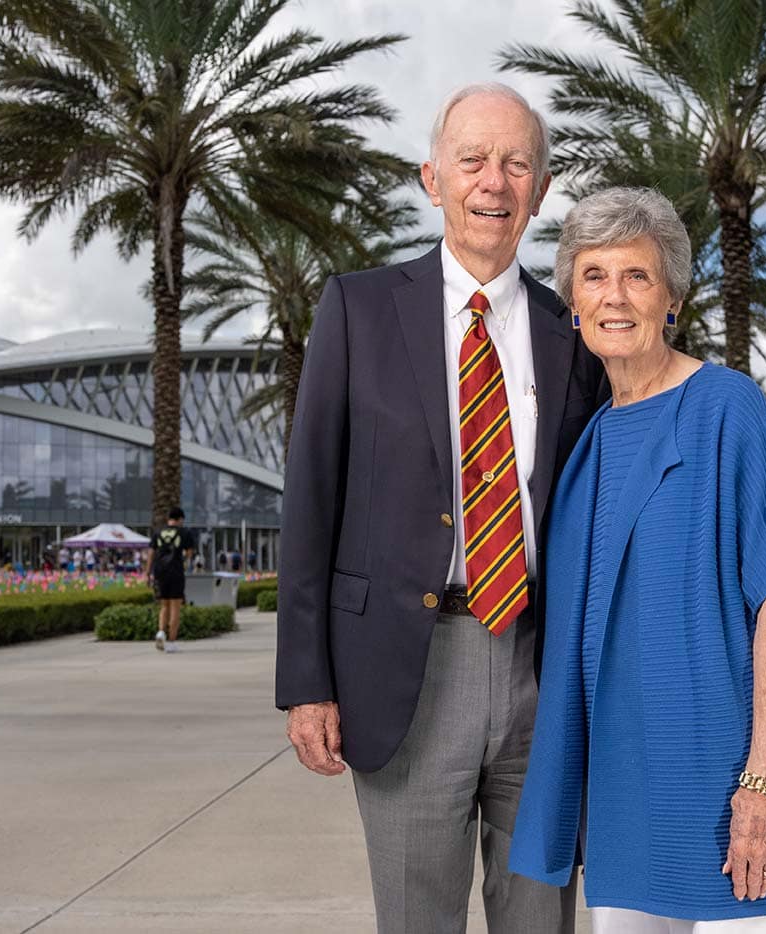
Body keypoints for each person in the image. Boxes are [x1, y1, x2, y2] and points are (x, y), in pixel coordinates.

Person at [276, 82, 604, 934]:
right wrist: (306, 683)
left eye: (516, 163)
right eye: (473, 160)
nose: (493, 182)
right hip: (403, 670)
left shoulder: (575, 333)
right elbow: (311, 496)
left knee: (540, 921)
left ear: (537, 186)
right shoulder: (358, 307)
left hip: (541, 666)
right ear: (433, 178)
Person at [508, 188, 766, 933]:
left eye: (637, 276)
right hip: (623, 793)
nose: (614, 296)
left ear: (672, 297)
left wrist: (765, 786)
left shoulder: (724, 407)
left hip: (728, 787)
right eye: (593, 276)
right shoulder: (584, 446)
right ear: (572, 304)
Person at [149, 507, 195, 653]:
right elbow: (189, 552)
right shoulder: (185, 532)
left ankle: (161, 632)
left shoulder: (158, 532)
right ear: (180, 519)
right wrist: (184, 559)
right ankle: (172, 643)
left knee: (164, 606)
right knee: (175, 607)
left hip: (160, 572)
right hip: (175, 571)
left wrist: (147, 572)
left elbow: (151, 552)